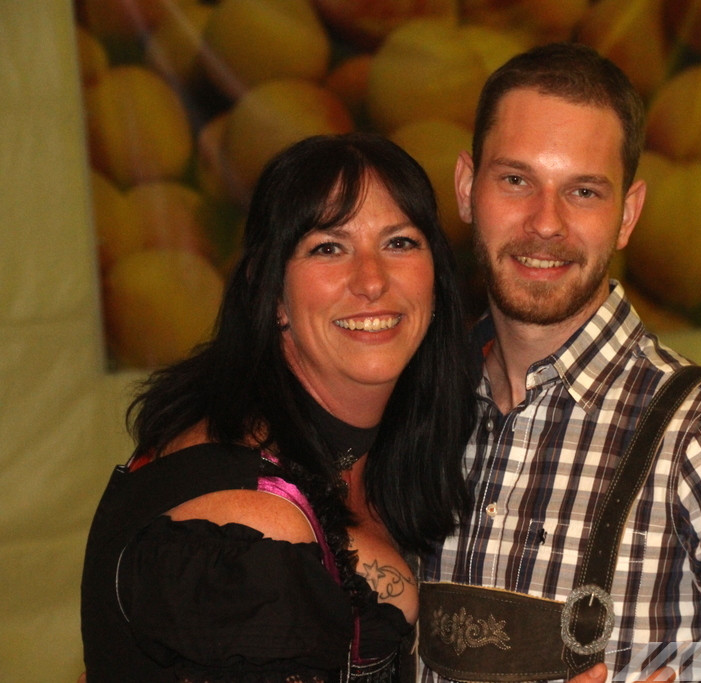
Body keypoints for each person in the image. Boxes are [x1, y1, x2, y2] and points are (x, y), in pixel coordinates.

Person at [419, 42, 701, 682]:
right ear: (467, 188)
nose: (546, 223)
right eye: (516, 180)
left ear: (627, 216)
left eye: (584, 191)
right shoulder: (422, 416)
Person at [80, 132, 477, 682]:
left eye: (400, 242)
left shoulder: (376, 452)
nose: (371, 280)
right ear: (271, 295)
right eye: (328, 248)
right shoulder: (251, 520)